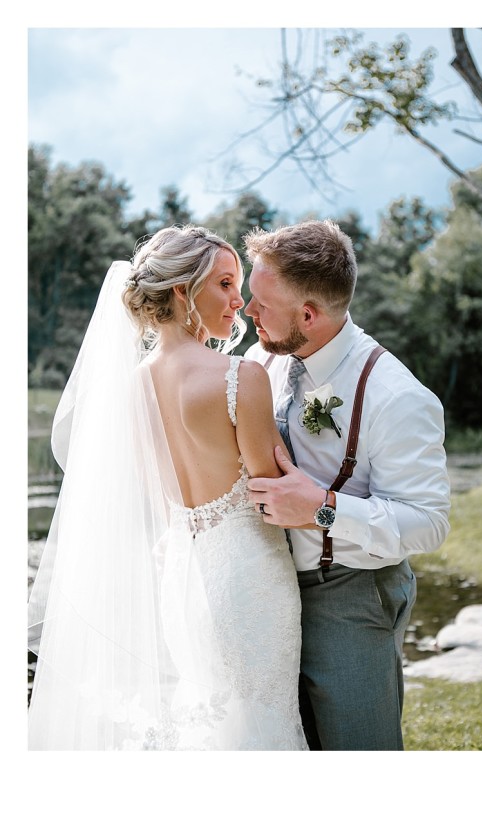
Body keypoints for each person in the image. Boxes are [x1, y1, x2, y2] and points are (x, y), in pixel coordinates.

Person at [27, 226, 306, 750]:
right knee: (263, 720)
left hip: (184, 577)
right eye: (225, 283)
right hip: (247, 577)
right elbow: (272, 491)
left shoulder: (133, 387)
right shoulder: (241, 376)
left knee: (209, 717)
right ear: (182, 290)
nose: (238, 301)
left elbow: (159, 497)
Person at [241, 219, 450, 751]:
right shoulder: (262, 357)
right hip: (266, 593)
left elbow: (429, 524)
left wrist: (323, 509)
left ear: (308, 316)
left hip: (349, 597)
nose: (248, 312)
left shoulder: (397, 396)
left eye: (261, 304)